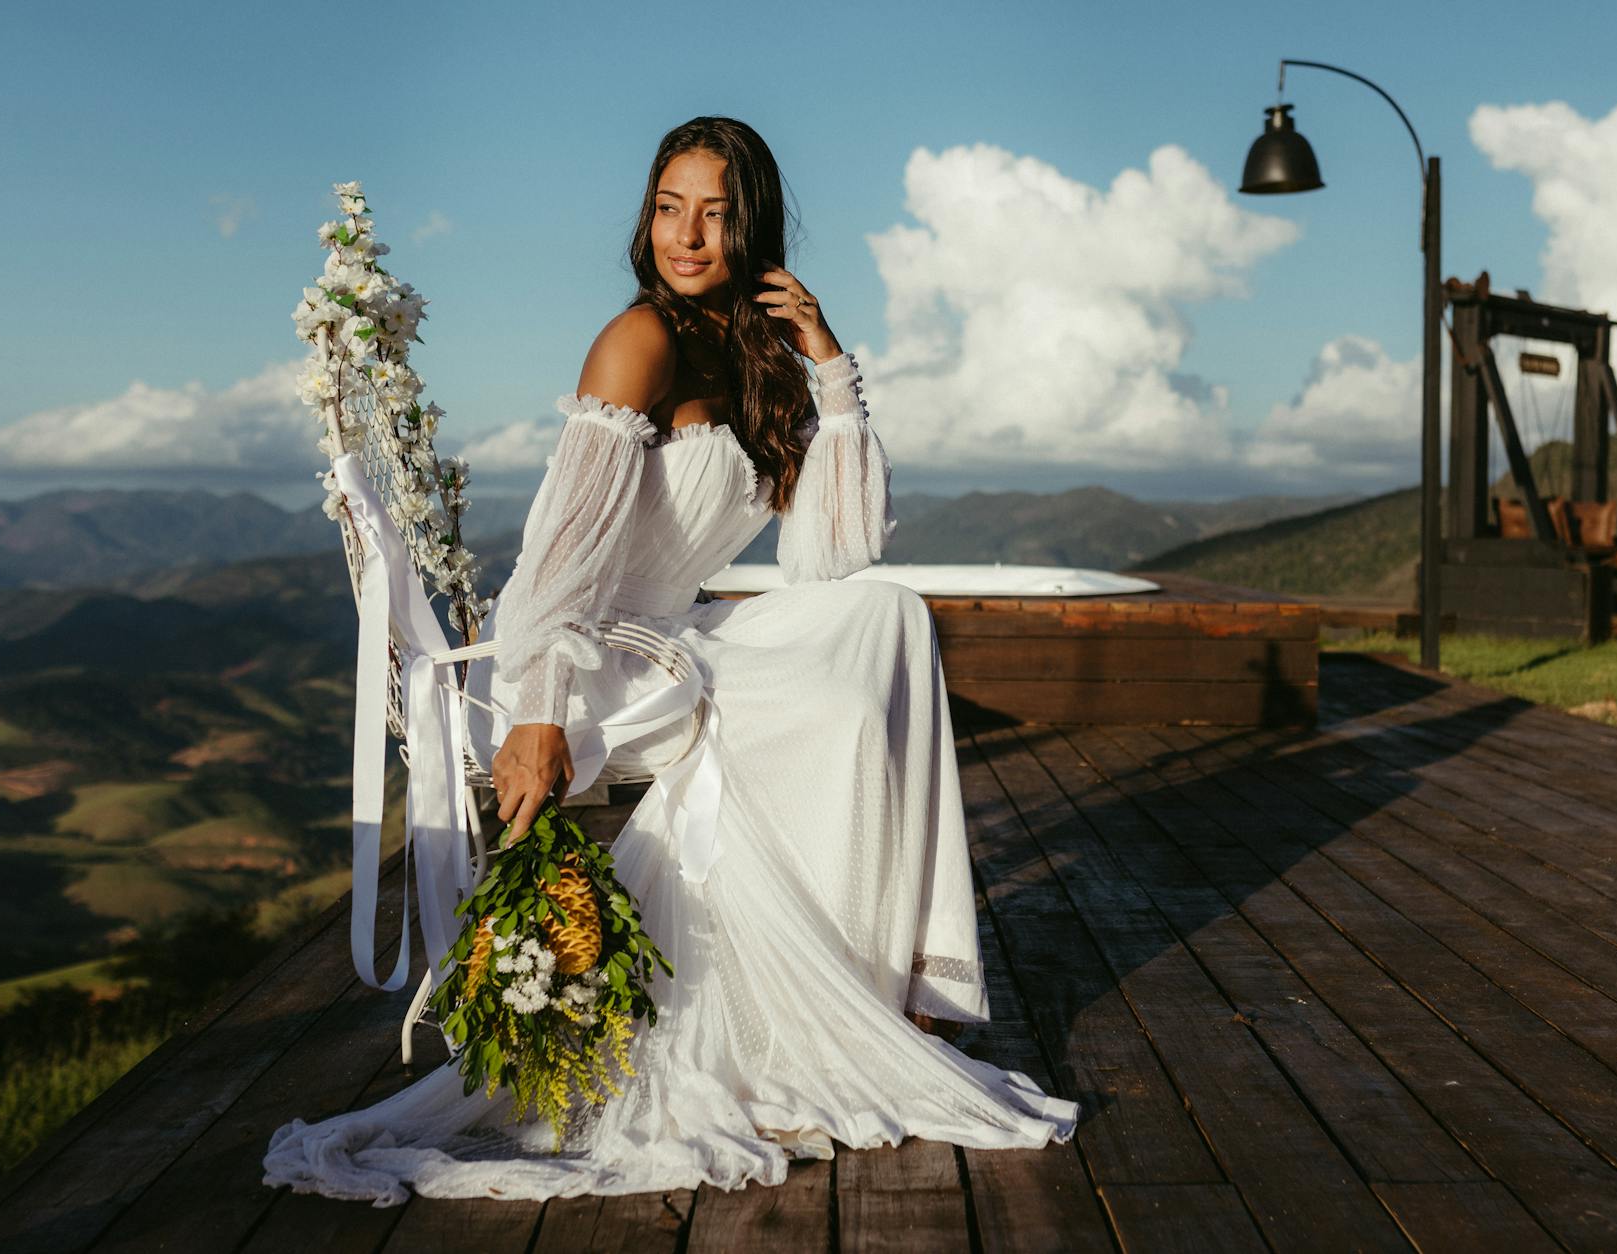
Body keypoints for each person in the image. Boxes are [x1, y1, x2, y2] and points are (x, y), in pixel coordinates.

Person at [263, 116, 1078, 1205]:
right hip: (580, 643)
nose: (686, 235)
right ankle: (831, 1009)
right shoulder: (635, 341)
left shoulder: (753, 356)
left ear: (752, 226)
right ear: (645, 216)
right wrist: (538, 709)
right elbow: (557, 557)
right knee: (826, 704)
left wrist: (830, 370)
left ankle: (885, 986)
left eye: (714, 212)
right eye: (667, 207)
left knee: (883, 618)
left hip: (665, 634)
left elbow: (835, 553)